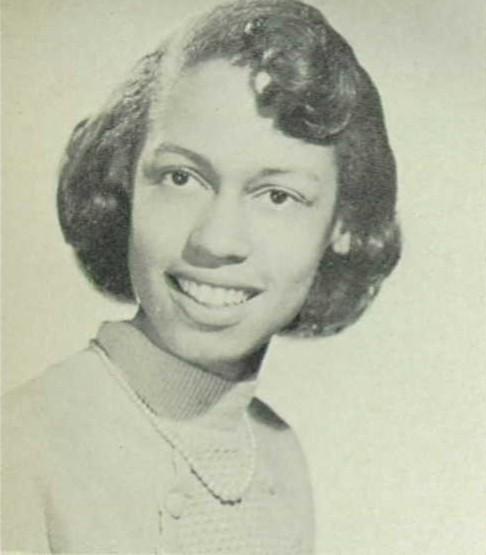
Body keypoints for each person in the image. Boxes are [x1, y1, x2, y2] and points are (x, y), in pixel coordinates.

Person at [1, 0, 400, 553]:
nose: (216, 240)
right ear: (125, 186)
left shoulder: (279, 457)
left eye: (277, 196)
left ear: (342, 224)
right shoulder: (22, 445)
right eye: (182, 178)